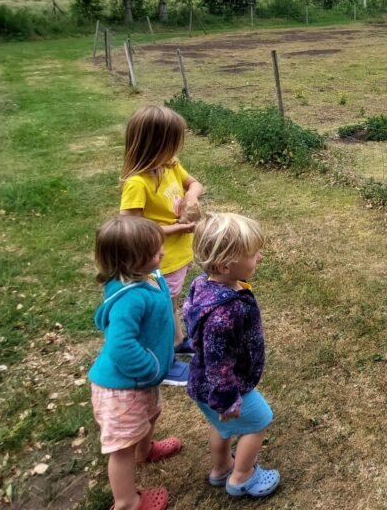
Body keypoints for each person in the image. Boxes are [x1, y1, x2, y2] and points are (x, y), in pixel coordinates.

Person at [89, 216, 184, 510]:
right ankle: (127, 502)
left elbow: (165, 310)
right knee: (121, 448)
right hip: (122, 388)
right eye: (156, 252)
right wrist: (151, 368)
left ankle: (146, 450)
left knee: (152, 414)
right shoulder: (129, 299)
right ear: (134, 261)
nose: (163, 254)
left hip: (140, 384)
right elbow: (121, 345)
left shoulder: (150, 277)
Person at [183, 213, 280, 498]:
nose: (259, 257)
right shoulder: (224, 313)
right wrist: (226, 401)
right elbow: (217, 362)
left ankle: (221, 467)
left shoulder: (205, 283)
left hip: (202, 384)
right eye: (252, 254)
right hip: (223, 388)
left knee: (220, 427)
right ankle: (242, 477)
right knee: (260, 420)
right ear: (226, 264)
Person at [119, 105, 204, 385]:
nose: (175, 150)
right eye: (171, 143)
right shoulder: (137, 183)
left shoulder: (170, 165)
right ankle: (163, 362)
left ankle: (178, 340)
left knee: (171, 301)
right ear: (154, 145)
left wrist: (190, 199)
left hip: (177, 252)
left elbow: (195, 184)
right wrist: (176, 227)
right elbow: (133, 227)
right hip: (157, 257)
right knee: (159, 310)